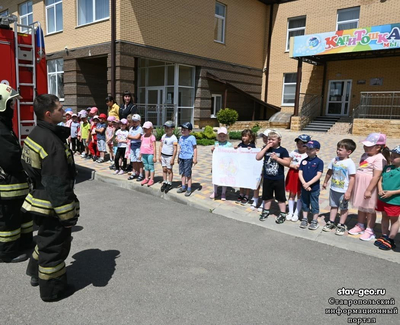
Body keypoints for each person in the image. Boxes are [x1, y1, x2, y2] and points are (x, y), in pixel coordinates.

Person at [21, 94, 79, 302]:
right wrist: (67, 215)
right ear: (48, 114)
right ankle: (52, 290)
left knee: (45, 240)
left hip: (38, 198)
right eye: (60, 109)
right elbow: (57, 183)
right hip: (51, 204)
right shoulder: (51, 142)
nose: (64, 112)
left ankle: (34, 272)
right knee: (54, 247)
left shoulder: (35, 133)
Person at [0, 84, 31, 263]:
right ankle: (6, 253)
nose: (14, 107)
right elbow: (11, 157)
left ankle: (24, 242)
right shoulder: (1, 129)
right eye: (11, 103)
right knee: (8, 222)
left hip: (16, 187)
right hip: (7, 188)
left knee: (22, 217)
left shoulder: (4, 125)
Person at [348, 133, 389, 241]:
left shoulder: (379, 158)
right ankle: (360, 224)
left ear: (378, 147)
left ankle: (370, 229)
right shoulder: (365, 154)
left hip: (369, 186)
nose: (366, 147)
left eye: (369, 146)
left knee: (370, 208)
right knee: (361, 206)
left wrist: (369, 190)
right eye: (365, 145)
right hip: (360, 184)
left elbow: (376, 176)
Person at [322, 139, 357, 236]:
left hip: (344, 190)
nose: (338, 151)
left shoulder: (350, 163)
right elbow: (330, 172)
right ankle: (331, 222)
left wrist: (349, 191)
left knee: (343, 208)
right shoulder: (334, 159)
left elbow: (352, 178)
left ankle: (341, 224)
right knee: (333, 206)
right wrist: (325, 182)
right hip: (334, 189)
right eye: (337, 149)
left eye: (340, 150)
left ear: (349, 152)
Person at [256, 129, 290, 224]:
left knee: (280, 197)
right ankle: (266, 211)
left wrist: (277, 158)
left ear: (279, 140)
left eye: (273, 139)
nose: (270, 141)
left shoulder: (283, 150)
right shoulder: (266, 148)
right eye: (269, 139)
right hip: (267, 177)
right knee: (267, 196)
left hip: (278, 178)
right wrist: (266, 148)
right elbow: (258, 157)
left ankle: (283, 213)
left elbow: (287, 163)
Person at [375, 145, 400, 250]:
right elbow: (380, 179)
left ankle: (391, 238)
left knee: (394, 220)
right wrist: (380, 189)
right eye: (391, 156)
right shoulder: (388, 168)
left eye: (395, 156)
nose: (392, 158)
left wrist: (392, 193)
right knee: (384, 216)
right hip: (382, 199)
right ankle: (384, 235)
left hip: (394, 200)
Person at [298, 140, 324, 230]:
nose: (308, 150)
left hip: (314, 188)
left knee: (314, 203)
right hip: (304, 186)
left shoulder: (319, 162)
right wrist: (304, 184)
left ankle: (314, 220)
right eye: (307, 148)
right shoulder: (303, 161)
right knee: (304, 202)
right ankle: (304, 218)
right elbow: (300, 173)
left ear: (317, 150)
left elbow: (319, 175)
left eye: (311, 149)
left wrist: (309, 183)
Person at [285, 134, 310, 222]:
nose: (299, 145)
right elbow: (287, 163)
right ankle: (290, 212)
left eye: (302, 143)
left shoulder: (308, 154)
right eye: (298, 143)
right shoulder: (293, 152)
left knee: (300, 194)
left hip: (303, 176)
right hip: (293, 174)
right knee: (292, 194)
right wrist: (293, 166)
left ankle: (297, 212)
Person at [210, 127, 233, 201]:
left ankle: (223, 193)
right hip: (217, 164)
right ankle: (215, 191)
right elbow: (215, 154)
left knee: (224, 178)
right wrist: (212, 150)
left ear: (226, 136)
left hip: (225, 165)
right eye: (220, 136)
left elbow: (232, 154)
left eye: (224, 136)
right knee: (215, 177)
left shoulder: (229, 144)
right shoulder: (216, 144)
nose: (222, 137)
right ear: (217, 136)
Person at [235, 129, 256, 205]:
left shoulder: (252, 145)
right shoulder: (240, 144)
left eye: (245, 136)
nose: (243, 137)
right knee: (241, 180)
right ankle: (241, 193)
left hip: (248, 167)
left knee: (247, 181)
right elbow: (236, 152)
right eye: (242, 136)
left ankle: (246, 195)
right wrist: (235, 148)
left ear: (250, 137)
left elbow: (254, 154)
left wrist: (251, 150)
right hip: (241, 166)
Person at [177, 122, 197, 197]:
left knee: (188, 174)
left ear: (189, 131)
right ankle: (183, 186)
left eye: (185, 129)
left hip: (188, 158)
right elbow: (179, 148)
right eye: (182, 129)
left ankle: (189, 188)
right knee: (182, 173)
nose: (182, 131)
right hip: (181, 157)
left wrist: (195, 158)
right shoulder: (181, 138)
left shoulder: (192, 138)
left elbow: (195, 148)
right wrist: (178, 157)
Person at [159, 120, 178, 193]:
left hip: (169, 156)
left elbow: (175, 149)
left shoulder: (174, 138)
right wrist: (159, 155)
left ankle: (169, 183)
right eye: (165, 128)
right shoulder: (163, 136)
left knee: (169, 170)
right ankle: (165, 182)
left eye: (168, 128)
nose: (166, 129)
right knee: (164, 169)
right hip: (163, 155)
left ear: (172, 129)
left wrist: (173, 158)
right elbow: (161, 146)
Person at [139, 121, 157, 186]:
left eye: (147, 128)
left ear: (151, 128)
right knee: (146, 166)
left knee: (151, 166)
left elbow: (154, 147)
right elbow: (141, 145)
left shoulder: (152, 137)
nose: (145, 130)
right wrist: (140, 154)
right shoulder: (143, 136)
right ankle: (146, 178)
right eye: (144, 128)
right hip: (144, 153)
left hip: (150, 154)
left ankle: (151, 179)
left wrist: (155, 156)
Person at [127, 114, 144, 181]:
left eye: (136, 121)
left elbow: (138, 137)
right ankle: (134, 172)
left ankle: (141, 174)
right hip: (132, 145)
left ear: (139, 121)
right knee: (133, 160)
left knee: (139, 161)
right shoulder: (131, 128)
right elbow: (128, 136)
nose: (134, 122)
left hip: (138, 145)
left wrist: (132, 137)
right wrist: (133, 137)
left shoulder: (140, 129)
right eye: (133, 121)